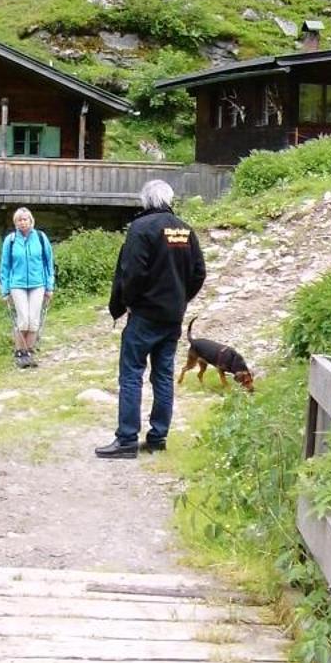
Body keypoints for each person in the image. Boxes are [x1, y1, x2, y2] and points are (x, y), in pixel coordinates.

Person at [96, 179, 205, 460]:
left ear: (145, 200)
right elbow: (198, 273)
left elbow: (132, 273)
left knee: (132, 375)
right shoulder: (184, 229)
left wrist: (129, 303)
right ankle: (158, 438)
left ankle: (126, 440)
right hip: (172, 318)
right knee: (163, 376)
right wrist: (180, 299)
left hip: (144, 315)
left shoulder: (141, 228)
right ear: (169, 199)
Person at [0, 207, 54, 369]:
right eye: (19, 220)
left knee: (34, 321)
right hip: (17, 285)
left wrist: (49, 287)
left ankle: (29, 353)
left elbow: (48, 263)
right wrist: (5, 290)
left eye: (25, 219)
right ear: (15, 223)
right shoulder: (11, 240)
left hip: (38, 284)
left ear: (31, 221)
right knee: (23, 320)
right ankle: (19, 352)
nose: (23, 222)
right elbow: (5, 266)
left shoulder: (41, 238)